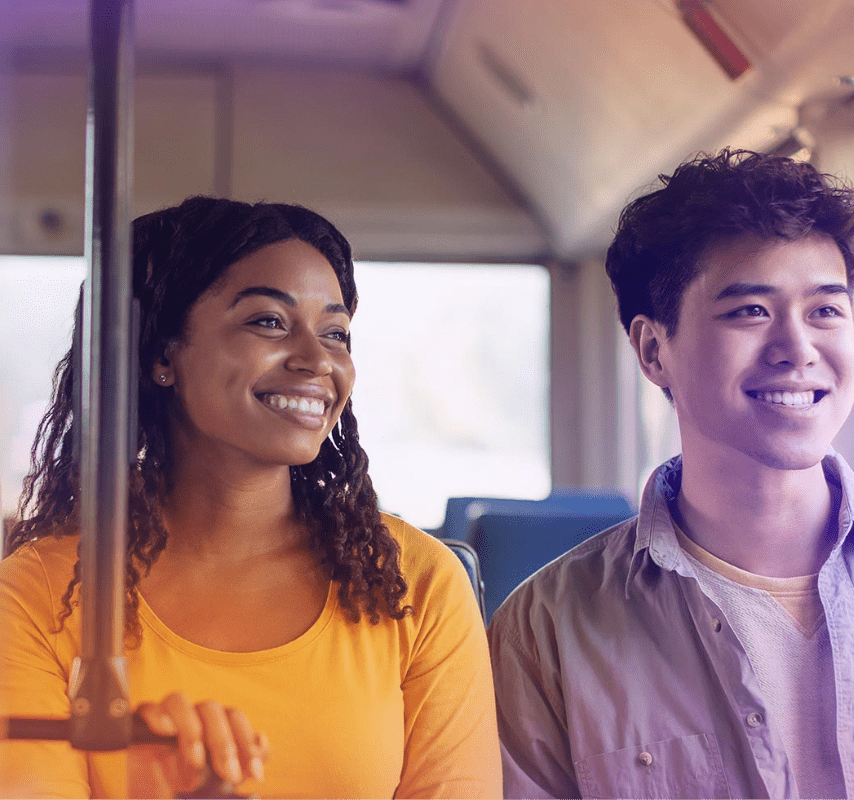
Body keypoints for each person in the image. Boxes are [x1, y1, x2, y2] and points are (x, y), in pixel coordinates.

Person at [488, 149, 854, 799]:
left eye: (825, 311)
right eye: (750, 311)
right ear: (653, 349)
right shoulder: (548, 631)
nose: (797, 348)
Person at [0, 197, 502, 798]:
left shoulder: (418, 584)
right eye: (268, 321)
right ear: (163, 353)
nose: (317, 361)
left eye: (335, 333)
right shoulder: (38, 595)